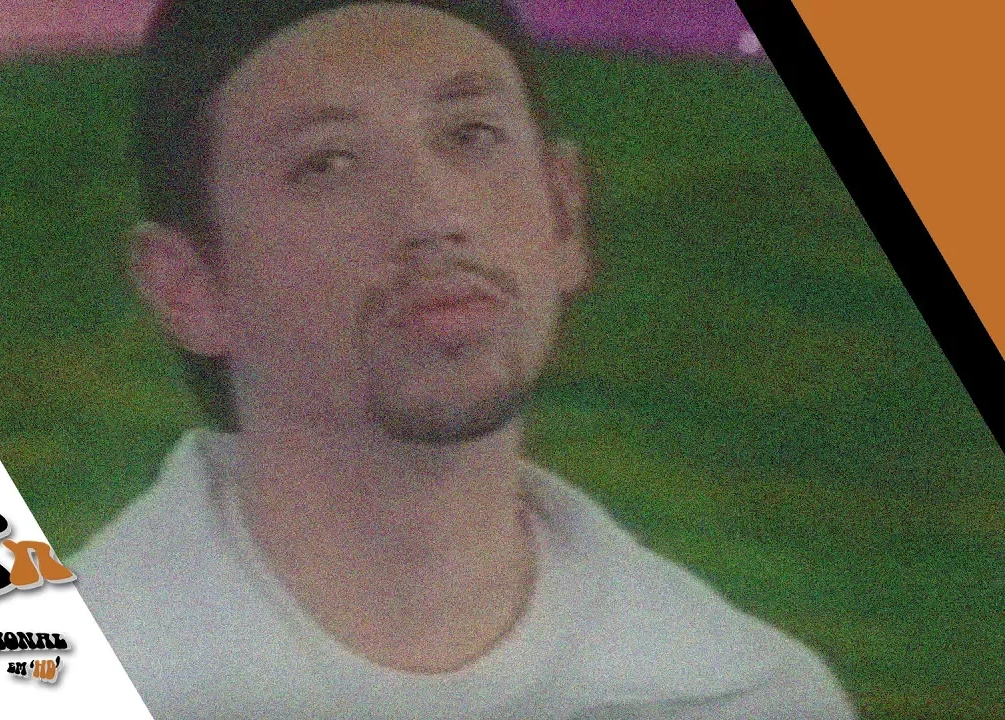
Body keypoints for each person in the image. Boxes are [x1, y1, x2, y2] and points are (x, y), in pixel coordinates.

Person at [71, 1, 857, 717]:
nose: (433, 214)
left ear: (564, 210)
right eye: (327, 163)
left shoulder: (749, 696)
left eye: (471, 135)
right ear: (188, 288)